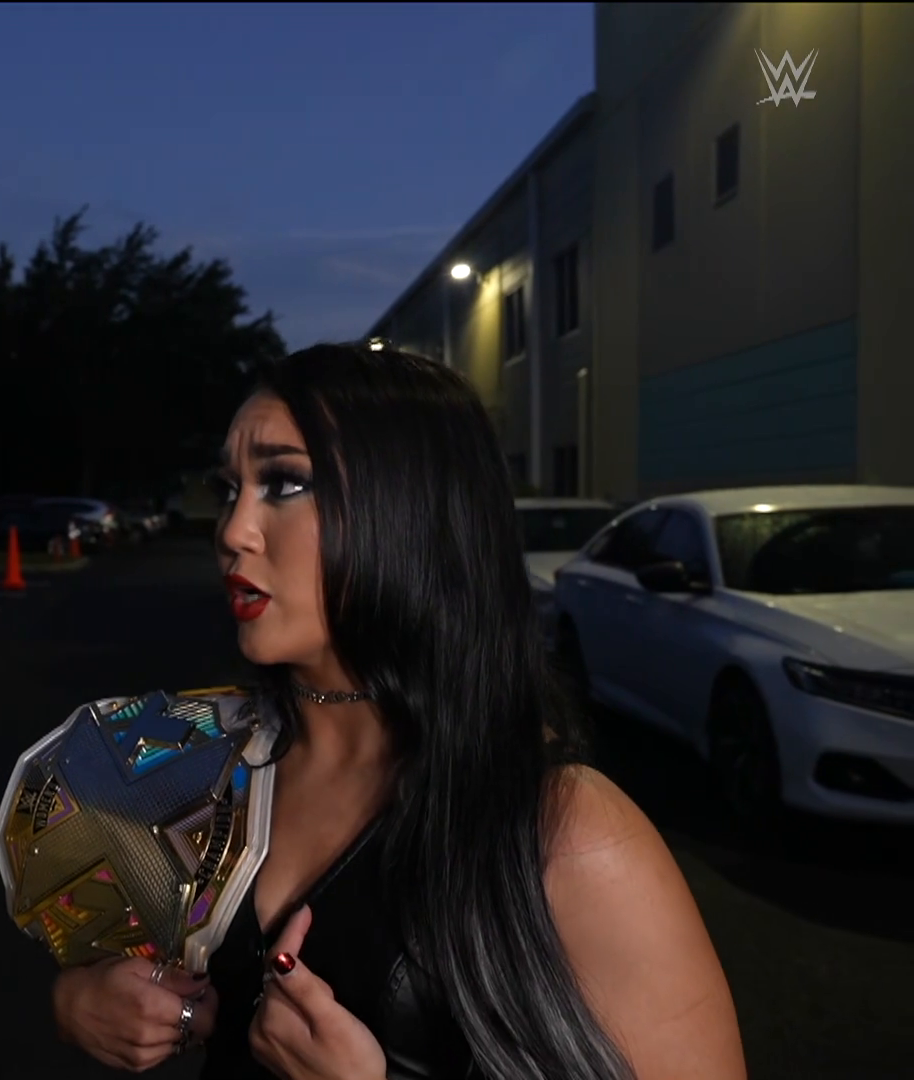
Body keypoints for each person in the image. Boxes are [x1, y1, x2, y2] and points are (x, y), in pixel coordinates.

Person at [48, 343, 745, 1080]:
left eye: (285, 483)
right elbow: (154, 975)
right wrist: (80, 1001)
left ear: (409, 508)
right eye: (230, 489)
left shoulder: (570, 834)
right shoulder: (211, 761)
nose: (232, 530)